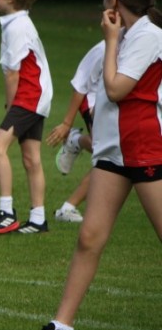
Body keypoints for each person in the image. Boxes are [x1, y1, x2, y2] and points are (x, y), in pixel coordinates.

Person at [28, 0, 162, 330]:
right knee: (88, 237)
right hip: (112, 152)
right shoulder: (127, 36)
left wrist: (110, 42)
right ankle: (62, 326)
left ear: (115, 1)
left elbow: (116, 88)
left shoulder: (149, 36)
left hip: (144, 149)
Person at [0, 0, 53, 234]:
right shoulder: (19, 23)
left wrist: (11, 105)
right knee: (31, 157)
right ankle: (37, 219)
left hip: (29, 96)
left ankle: (6, 213)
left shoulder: (17, 27)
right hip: (38, 96)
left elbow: (13, 73)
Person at [46, 41, 103, 223]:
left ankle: (75, 141)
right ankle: (68, 209)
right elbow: (79, 85)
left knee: (111, 155)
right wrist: (66, 123)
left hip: (117, 106)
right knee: (110, 158)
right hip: (94, 103)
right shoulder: (103, 49)